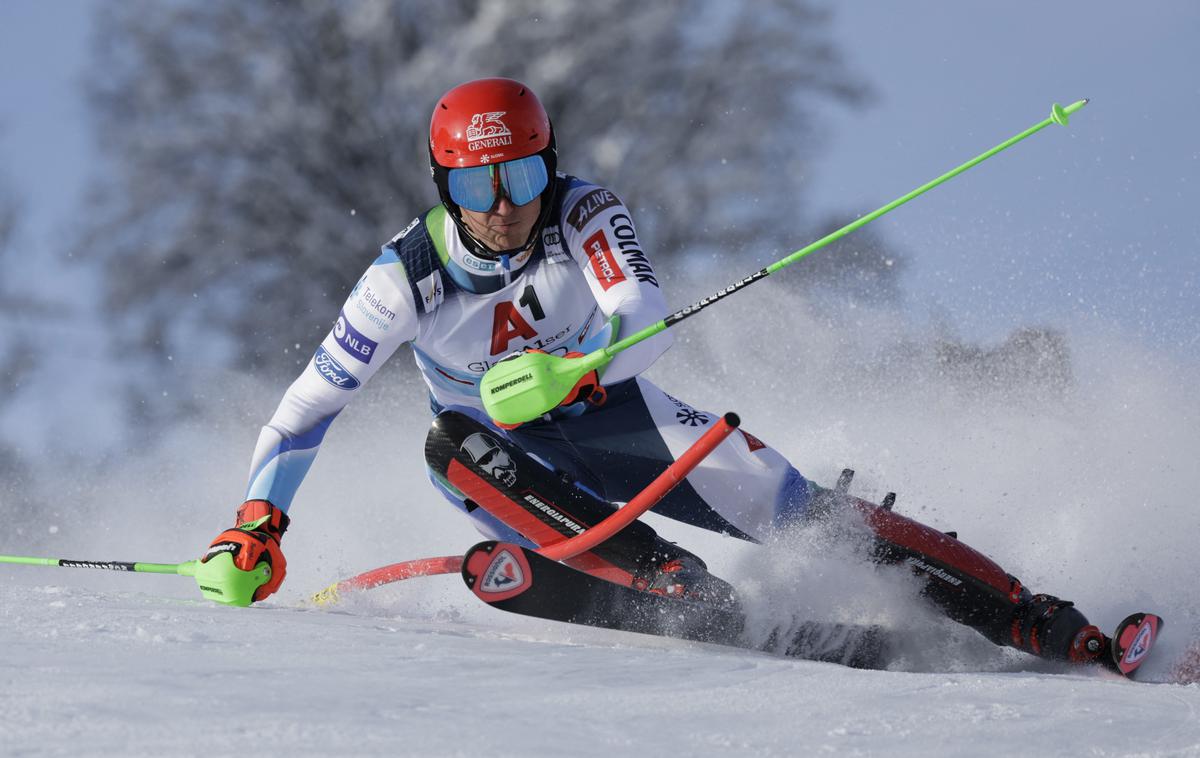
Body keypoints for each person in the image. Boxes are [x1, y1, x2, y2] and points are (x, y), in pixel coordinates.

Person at [203, 77, 1112, 668]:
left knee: (813, 518)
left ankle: (1033, 618)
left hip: (618, 417)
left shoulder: (583, 211)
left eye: (520, 177)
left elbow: (644, 316)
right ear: (446, 188)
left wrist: (570, 370)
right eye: (478, 188)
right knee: (450, 443)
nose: (506, 208)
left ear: (546, 165)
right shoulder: (402, 279)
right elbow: (306, 409)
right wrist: (256, 522)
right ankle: (675, 586)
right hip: (508, 470)